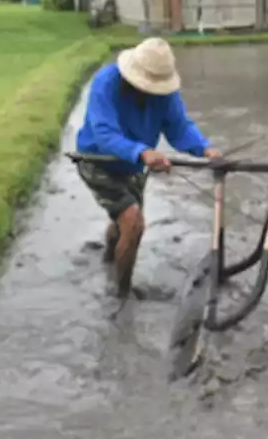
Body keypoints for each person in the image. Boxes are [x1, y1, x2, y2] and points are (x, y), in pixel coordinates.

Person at [74, 37, 222, 299]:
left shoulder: (166, 95)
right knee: (133, 222)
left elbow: (179, 128)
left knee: (123, 220)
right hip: (98, 160)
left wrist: (204, 148)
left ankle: (110, 258)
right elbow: (104, 133)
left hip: (134, 165)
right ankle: (122, 296)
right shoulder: (106, 83)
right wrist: (141, 152)